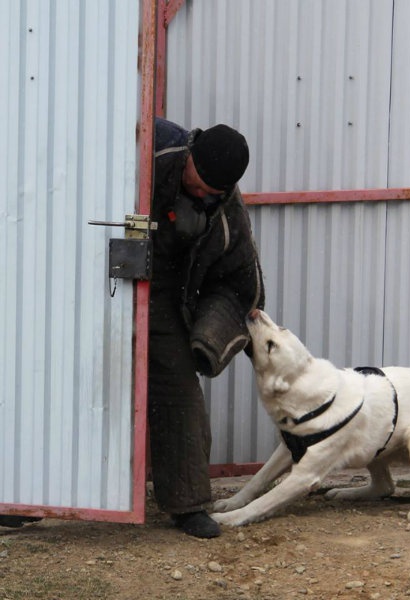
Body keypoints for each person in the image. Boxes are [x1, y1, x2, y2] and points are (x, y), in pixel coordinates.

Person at [148, 117, 265, 538]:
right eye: (195, 184)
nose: (200, 194)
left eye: (210, 193)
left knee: (178, 393)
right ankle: (32, 494)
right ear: (191, 154)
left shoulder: (227, 208)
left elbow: (244, 283)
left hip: (160, 298)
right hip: (96, 282)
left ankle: (189, 505)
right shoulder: (150, 147)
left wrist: (215, 336)